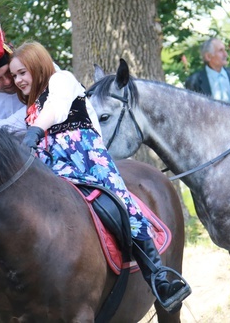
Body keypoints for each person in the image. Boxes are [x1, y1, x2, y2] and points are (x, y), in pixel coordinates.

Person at [11, 42, 191, 311]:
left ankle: (158, 277)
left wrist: (34, 132)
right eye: (14, 76)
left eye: (22, 72)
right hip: (49, 167)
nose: (18, 80)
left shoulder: (62, 80)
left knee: (120, 203)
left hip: (86, 161)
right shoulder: (32, 105)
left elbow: (57, 110)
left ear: (37, 65)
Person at [184, 37, 230, 104]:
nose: (226, 54)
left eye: (225, 50)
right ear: (208, 56)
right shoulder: (194, 81)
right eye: (220, 51)